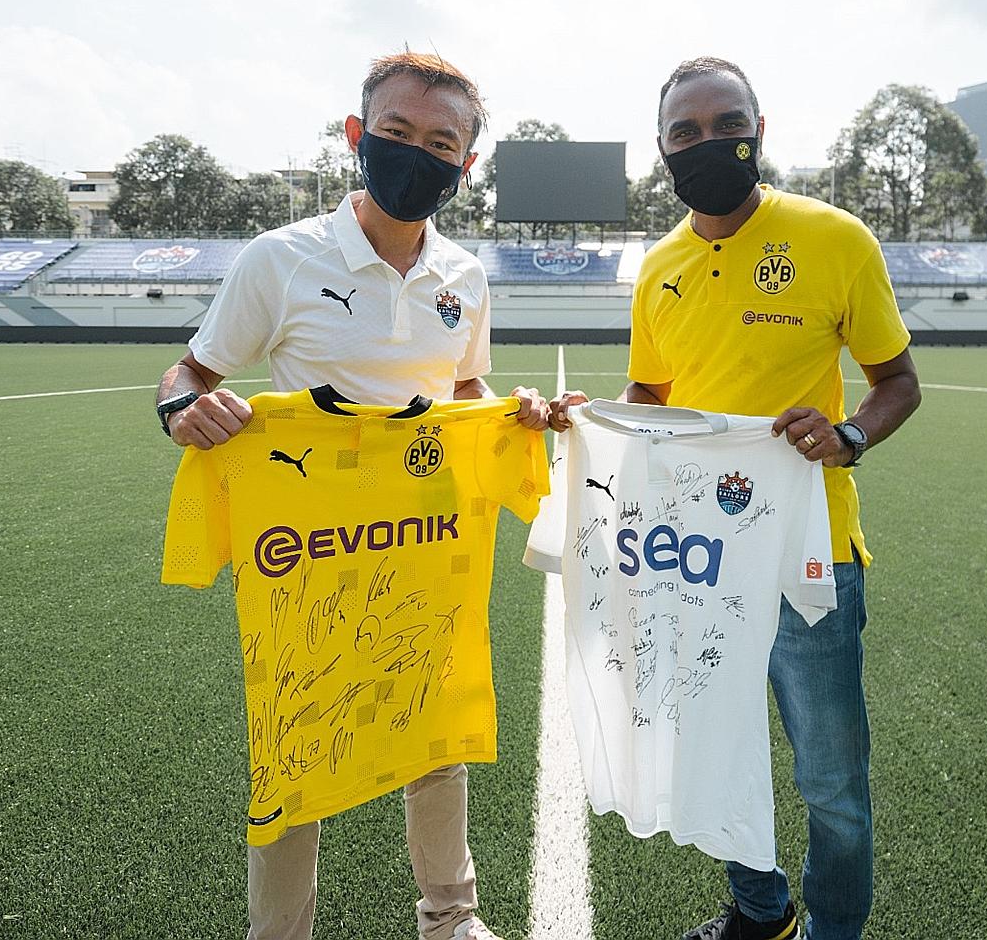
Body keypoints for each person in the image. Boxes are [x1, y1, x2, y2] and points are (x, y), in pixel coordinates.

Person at [155, 51, 549, 940]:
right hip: (312, 547)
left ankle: (451, 920)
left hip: (423, 536)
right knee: (298, 743)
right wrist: (182, 406)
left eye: (440, 142)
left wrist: (507, 413)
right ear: (356, 136)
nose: (417, 153)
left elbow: (462, 396)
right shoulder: (281, 259)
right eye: (397, 133)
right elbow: (191, 368)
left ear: (466, 165)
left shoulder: (464, 276)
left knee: (436, 740)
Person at [550, 56, 921, 940]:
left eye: (726, 124)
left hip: (807, 556)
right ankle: (761, 913)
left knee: (831, 781)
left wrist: (850, 437)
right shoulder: (660, 267)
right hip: (699, 557)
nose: (708, 142)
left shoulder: (835, 238)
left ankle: (833, 931)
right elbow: (652, 396)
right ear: (662, 151)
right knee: (713, 753)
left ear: (761, 130)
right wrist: (589, 420)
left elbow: (897, 381)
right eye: (686, 132)